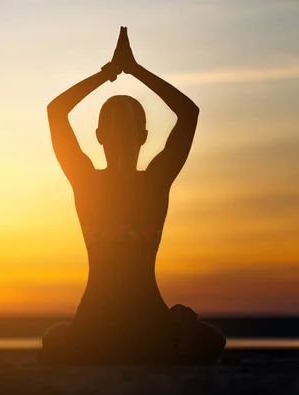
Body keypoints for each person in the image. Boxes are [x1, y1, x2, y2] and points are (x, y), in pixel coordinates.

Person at [39, 27, 226, 365]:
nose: (119, 134)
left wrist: (113, 73)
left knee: (57, 337)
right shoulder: (143, 180)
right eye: (115, 126)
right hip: (116, 320)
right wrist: (127, 70)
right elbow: (188, 113)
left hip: (120, 320)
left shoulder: (116, 180)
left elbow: (56, 111)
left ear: (141, 136)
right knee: (208, 338)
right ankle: (161, 341)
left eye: (121, 127)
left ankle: (145, 342)